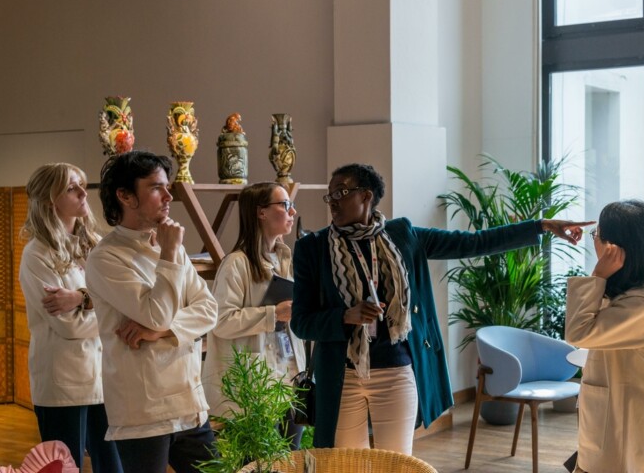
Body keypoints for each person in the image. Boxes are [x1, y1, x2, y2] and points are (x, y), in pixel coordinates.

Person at [290, 163, 592, 454]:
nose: (333, 201)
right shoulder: (313, 249)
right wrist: (345, 316)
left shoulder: (403, 236)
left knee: (397, 463)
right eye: (330, 194)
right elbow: (301, 323)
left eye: (341, 192)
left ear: (366, 196)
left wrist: (540, 226)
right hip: (343, 376)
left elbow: (474, 243)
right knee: (347, 466)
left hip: (395, 373)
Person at [85, 151, 218, 473]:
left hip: (189, 402)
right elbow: (155, 313)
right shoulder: (106, 257)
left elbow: (209, 309)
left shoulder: (169, 246)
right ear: (125, 196)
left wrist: (165, 331)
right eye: (156, 187)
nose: (169, 196)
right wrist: (170, 253)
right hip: (143, 410)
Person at [565, 199, 644, 473]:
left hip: (629, 430)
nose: (594, 242)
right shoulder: (638, 294)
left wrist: (598, 274)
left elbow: (578, 332)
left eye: (596, 235)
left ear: (614, 249)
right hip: (621, 419)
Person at [18, 163, 123, 472]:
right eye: (71, 187)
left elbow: (121, 303)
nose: (82, 193)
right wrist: (109, 315)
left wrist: (81, 298)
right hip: (62, 385)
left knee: (113, 467)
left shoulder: (94, 246)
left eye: (82, 185)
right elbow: (70, 326)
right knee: (66, 467)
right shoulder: (37, 254)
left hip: (103, 379)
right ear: (50, 199)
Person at [202, 182, 306, 449]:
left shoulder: (285, 258)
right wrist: (274, 313)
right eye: (284, 205)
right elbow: (221, 322)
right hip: (255, 386)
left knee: (290, 459)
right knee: (259, 463)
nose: (291, 212)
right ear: (261, 212)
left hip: (289, 377)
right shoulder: (236, 263)